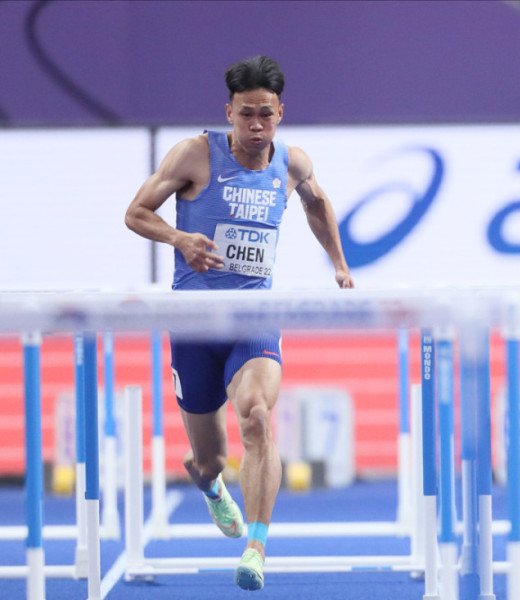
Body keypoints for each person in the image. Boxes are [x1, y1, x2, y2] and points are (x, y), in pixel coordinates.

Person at [124, 55, 354, 591]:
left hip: (254, 318)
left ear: (280, 113)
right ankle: (208, 483)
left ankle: (256, 546)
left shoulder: (292, 163)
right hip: (194, 324)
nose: (255, 126)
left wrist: (340, 264)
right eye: (245, 114)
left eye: (265, 115)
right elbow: (136, 212)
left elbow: (317, 205)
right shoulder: (194, 154)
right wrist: (180, 239)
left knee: (256, 416)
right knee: (212, 460)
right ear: (228, 112)